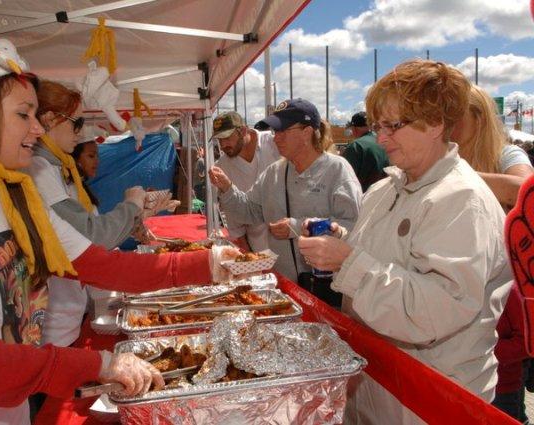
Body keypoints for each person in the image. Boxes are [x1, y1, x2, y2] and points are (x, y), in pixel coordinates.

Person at [0, 39, 235, 424]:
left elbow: (104, 266)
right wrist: (95, 365)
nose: (38, 129)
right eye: (25, 114)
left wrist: (210, 263)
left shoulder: (13, 196)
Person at [298, 59, 513, 423]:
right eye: (379, 125)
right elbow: (392, 257)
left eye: (393, 126)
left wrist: (347, 262)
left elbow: (433, 312)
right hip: (381, 388)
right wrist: (343, 241)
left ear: (437, 123)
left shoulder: (462, 201)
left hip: (429, 402)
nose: (380, 138)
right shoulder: (386, 189)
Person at [24, 80, 152, 348]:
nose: (79, 133)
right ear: (48, 120)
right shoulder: (40, 168)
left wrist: (131, 219)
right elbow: (92, 234)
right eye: (76, 124)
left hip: (66, 315)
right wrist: (132, 205)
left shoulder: (58, 169)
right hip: (52, 326)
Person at [210, 99, 361, 307]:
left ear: (307, 132)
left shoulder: (337, 170)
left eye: (282, 131)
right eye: (274, 131)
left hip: (329, 292)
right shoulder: (274, 173)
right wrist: (227, 188)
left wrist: (297, 227)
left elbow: (353, 228)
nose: (275, 138)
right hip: (285, 289)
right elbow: (247, 211)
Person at [451, 85, 533, 209]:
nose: (443, 123)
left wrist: (453, 175)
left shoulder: (507, 154)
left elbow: (526, 191)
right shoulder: (441, 156)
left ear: (479, 119)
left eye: (454, 115)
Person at [212, 111, 281, 252]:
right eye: (219, 140)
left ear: (243, 131)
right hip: (259, 249)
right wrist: (248, 255)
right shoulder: (222, 167)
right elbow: (233, 217)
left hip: (293, 246)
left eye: (227, 138)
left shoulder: (275, 143)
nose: (223, 145)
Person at [492, 283, 530, 424]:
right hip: (479, 379)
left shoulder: (512, 290)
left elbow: (526, 342)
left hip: (503, 386)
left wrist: (486, 352)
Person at [341, 111, 389, 192]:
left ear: (354, 129)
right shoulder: (384, 141)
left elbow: (343, 181)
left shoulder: (356, 146)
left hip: (364, 199)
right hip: (385, 195)